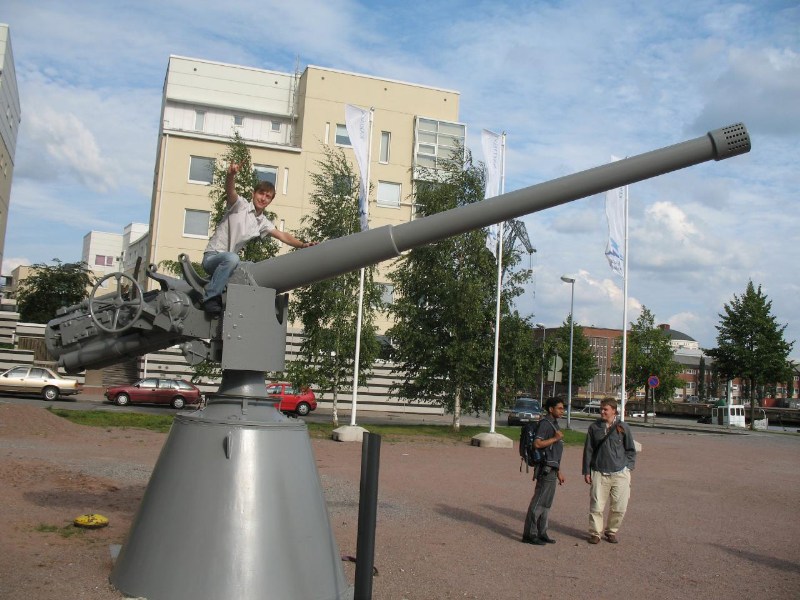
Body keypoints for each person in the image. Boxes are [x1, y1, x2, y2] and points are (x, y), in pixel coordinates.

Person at [200, 163, 315, 313]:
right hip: (212, 258)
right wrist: (231, 175)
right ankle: (210, 298)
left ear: (270, 201)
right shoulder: (239, 205)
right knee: (232, 258)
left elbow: (282, 235)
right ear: (253, 194)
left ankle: (241, 308)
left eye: (268, 197)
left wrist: (302, 245)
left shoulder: (262, 222)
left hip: (229, 263)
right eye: (261, 193)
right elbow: (230, 190)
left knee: (251, 270)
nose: (263, 198)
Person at [582, 398, 636, 544]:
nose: (602, 412)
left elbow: (630, 449)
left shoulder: (623, 427)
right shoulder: (594, 428)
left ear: (614, 411)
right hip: (599, 472)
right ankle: (595, 533)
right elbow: (588, 450)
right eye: (601, 409)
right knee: (596, 506)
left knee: (620, 506)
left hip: (620, 473)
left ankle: (611, 531)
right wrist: (587, 471)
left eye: (605, 409)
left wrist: (629, 466)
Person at [522, 397, 565, 546]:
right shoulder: (545, 424)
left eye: (563, 408)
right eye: (559, 408)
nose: (562, 411)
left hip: (552, 469)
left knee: (546, 504)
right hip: (545, 469)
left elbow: (555, 452)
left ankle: (542, 532)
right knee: (539, 502)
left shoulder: (554, 424)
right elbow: (537, 444)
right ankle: (530, 534)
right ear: (551, 409)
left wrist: (559, 471)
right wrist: (555, 438)